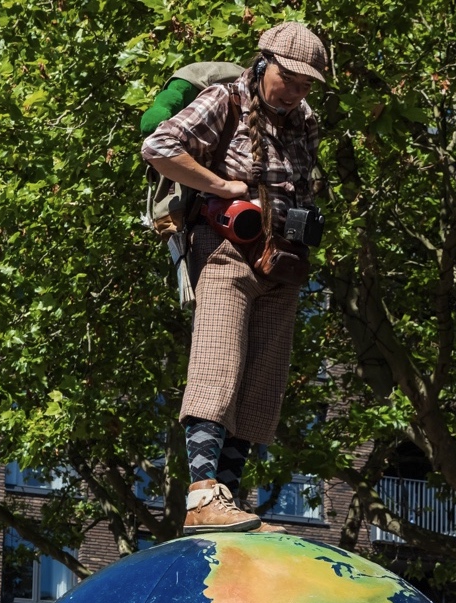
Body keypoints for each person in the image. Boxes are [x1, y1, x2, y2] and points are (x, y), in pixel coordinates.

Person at [140, 22, 330, 533]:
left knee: (261, 385)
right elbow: (159, 146)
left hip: (284, 261)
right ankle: (201, 494)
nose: (295, 92)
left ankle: (230, 500)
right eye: (289, 79)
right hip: (225, 249)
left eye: (307, 84)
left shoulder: (305, 120)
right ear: (265, 62)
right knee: (217, 364)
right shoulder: (225, 100)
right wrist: (222, 184)